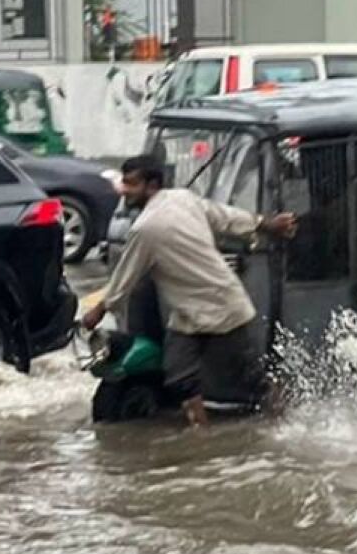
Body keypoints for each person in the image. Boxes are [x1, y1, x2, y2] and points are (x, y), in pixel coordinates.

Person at [80, 154, 298, 428]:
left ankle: (286, 421)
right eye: (124, 182)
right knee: (180, 376)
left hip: (220, 306)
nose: (125, 190)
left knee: (250, 378)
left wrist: (97, 312)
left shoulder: (146, 228)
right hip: (189, 312)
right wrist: (267, 223)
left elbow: (125, 276)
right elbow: (227, 217)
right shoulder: (183, 198)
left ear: (151, 186)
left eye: (131, 184)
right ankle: (200, 436)